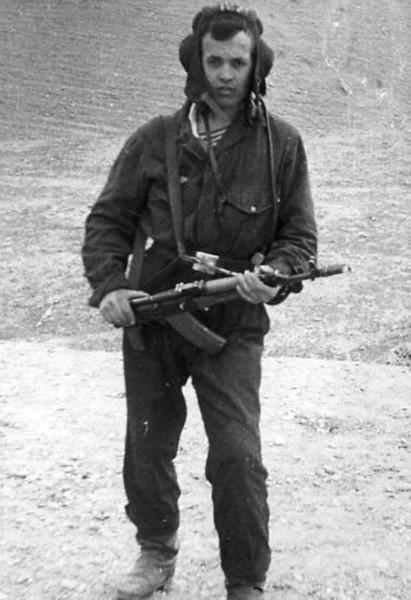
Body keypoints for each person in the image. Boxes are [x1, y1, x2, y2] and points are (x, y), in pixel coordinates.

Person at [82, 4, 317, 599]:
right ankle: (156, 551)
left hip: (233, 323)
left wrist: (276, 275)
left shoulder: (281, 144)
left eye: (238, 62)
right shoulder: (155, 139)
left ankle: (245, 581)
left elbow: (298, 238)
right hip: (155, 319)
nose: (226, 74)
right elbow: (107, 221)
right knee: (147, 443)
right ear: (196, 62)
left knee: (238, 455)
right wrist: (111, 286)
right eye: (214, 61)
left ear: (256, 65)